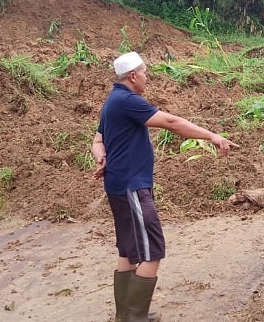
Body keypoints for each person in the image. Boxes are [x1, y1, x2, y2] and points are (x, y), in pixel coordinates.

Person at [91, 51, 238, 321]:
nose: (148, 77)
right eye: (145, 72)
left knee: (128, 249)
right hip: (131, 186)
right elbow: (171, 123)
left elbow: (98, 140)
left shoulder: (112, 100)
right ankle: (134, 318)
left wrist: (101, 157)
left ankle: (125, 315)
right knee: (153, 249)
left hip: (119, 185)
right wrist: (213, 136)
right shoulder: (127, 100)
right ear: (133, 76)